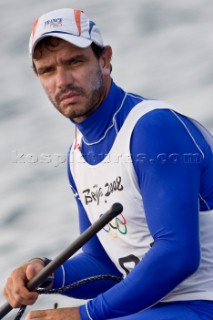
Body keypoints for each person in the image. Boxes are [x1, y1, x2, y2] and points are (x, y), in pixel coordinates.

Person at [3, 7, 213, 320]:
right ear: (38, 77)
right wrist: (47, 272)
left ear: (104, 59)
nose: (62, 80)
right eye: (47, 70)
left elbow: (177, 255)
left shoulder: (153, 129)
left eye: (74, 62)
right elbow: (107, 267)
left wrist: (86, 314)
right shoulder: (76, 158)